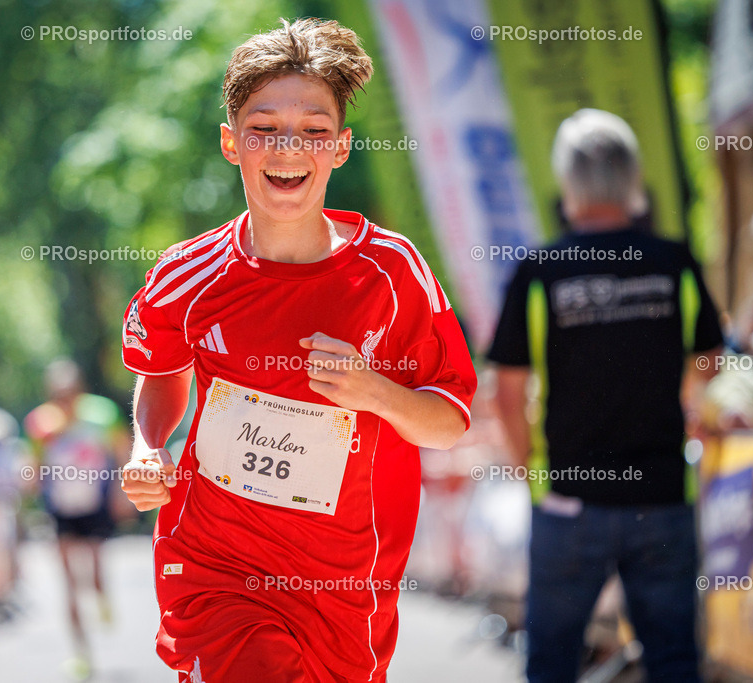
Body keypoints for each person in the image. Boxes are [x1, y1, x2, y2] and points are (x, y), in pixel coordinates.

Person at [119, 18, 476, 683]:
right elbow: (162, 372)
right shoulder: (186, 275)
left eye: (314, 130)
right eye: (264, 129)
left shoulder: (392, 273)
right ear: (232, 143)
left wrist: (375, 392)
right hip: (215, 569)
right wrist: (147, 447)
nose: (290, 148)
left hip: (346, 591)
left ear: (340, 148)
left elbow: (451, 421)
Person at [486, 108, 724, 682]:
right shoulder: (673, 262)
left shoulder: (541, 270)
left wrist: (528, 469)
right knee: (672, 660)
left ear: (567, 185)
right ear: (634, 179)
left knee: (551, 662)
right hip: (663, 494)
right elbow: (711, 358)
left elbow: (505, 390)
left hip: (568, 499)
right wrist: (685, 404)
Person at [24, 358, 127, 679]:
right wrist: (29, 487)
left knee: (94, 572)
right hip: (61, 508)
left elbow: (123, 451)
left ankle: (102, 594)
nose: (64, 401)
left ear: (80, 391)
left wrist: (121, 493)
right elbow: (34, 466)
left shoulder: (102, 414)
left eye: (69, 394)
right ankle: (81, 655)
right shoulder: (41, 423)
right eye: (58, 395)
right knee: (68, 583)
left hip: (94, 504)